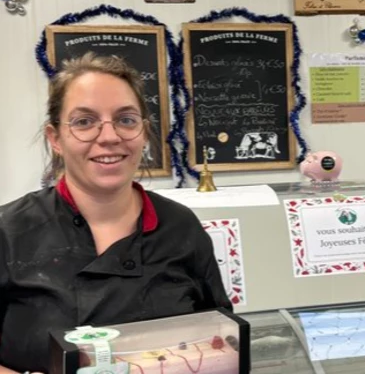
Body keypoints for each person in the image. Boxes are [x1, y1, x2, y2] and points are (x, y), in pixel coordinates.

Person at [0, 52, 231, 373]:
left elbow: (220, 339)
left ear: (143, 132)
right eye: (84, 121)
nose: (109, 137)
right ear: (55, 138)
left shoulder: (182, 228)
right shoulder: (9, 232)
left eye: (125, 120)